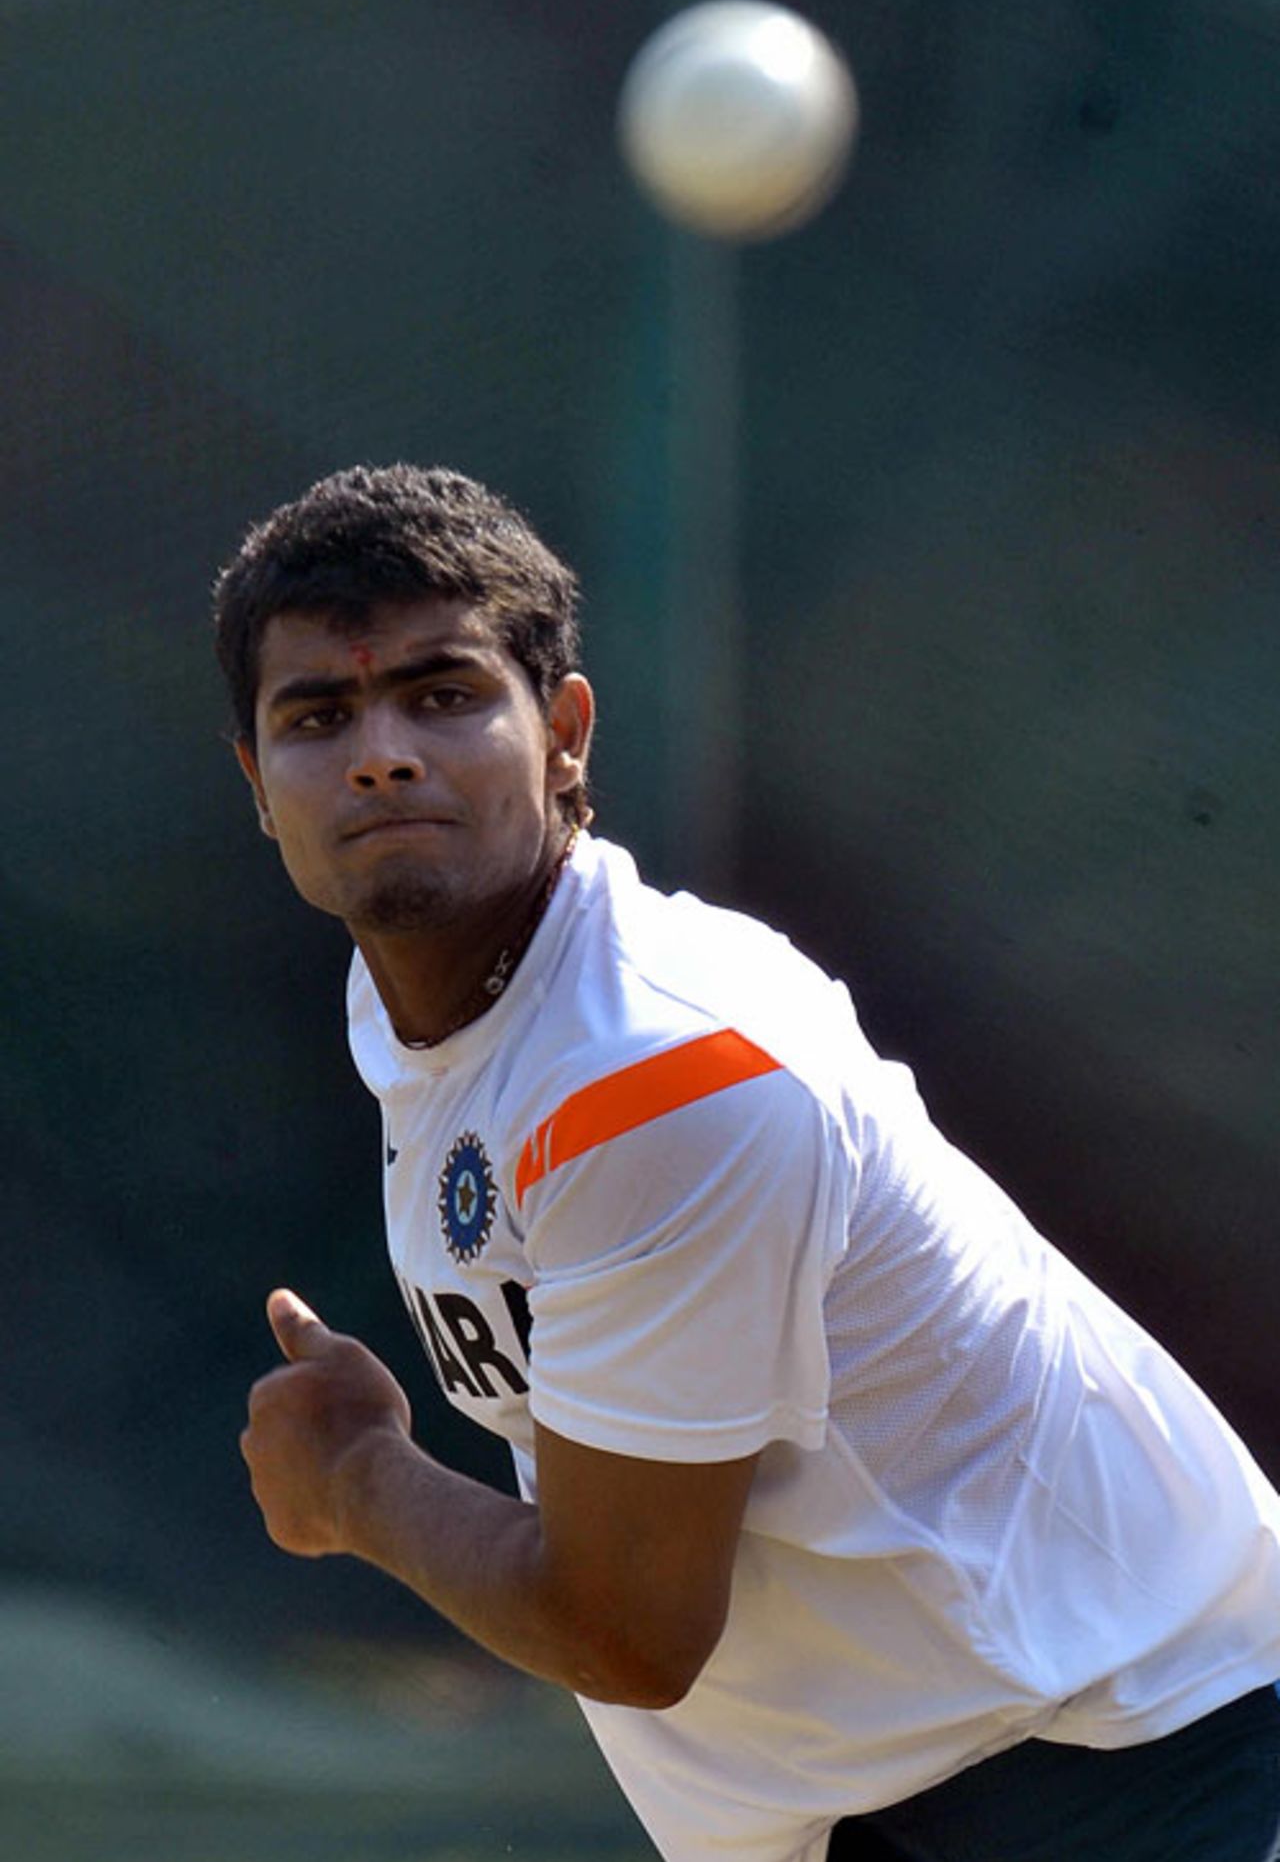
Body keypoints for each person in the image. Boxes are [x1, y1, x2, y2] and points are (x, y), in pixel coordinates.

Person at [216, 463, 1280, 1862]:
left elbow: (629, 1626)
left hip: (1123, 1769)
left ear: (566, 737)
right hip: (925, 1784)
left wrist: (358, 1477)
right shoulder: (443, 1006)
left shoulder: (658, 1074)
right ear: (257, 783)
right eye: (319, 714)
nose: (381, 752)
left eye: (446, 693)